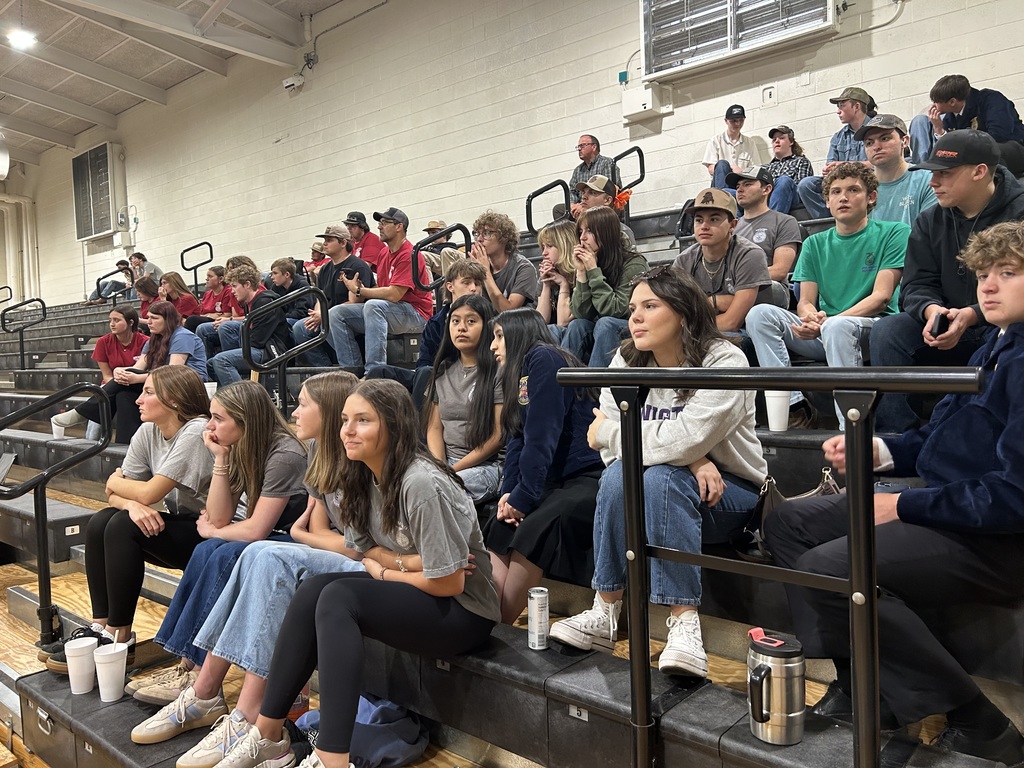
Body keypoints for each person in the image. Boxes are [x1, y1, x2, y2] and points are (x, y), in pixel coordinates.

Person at [764, 220, 1024, 767]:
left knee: (835, 564)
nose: (989, 287)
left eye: (1008, 272)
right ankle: (865, 688)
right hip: (949, 508)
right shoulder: (997, 346)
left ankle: (979, 718)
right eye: (982, 274)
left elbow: (1014, 497)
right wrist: (877, 451)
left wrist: (902, 503)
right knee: (789, 523)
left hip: (996, 537)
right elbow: (942, 438)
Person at [211, 379, 500, 768]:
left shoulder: (421, 482)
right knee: (314, 590)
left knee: (338, 597)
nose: (347, 429)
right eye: (346, 419)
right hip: (424, 589)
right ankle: (267, 736)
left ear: (394, 426)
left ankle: (332, 759)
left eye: (363, 420)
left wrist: (384, 572)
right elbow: (364, 551)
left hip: (464, 612)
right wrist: (405, 562)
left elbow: (449, 581)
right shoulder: (359, 474)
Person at [133, 373, 365, 768]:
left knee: (254, 554)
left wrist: (297, 534)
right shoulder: (317, 454)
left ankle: (238, 712)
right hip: (316, 547)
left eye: (304, 403)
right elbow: (311, 528)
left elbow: (353, 543)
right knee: (228, 551)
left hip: (355, 560)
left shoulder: (312, 455)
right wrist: (221, 459)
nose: (294, 410)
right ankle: (203, 687)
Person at [550, 265, 767, 678]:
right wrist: (690, 458)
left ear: (683, 312)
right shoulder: (627, 358)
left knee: (659, 478)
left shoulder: (724, 359)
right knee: (621, 477)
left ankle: (685, 623)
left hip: (734, 494)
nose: (635, 317)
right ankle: (605, 611)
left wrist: (687, 454)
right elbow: (611, 454)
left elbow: (607, 435)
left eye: (650, 306)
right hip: (666, 485)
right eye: (633, 307)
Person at [130, 381, 308, 741]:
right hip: (269, 536)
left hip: (291, 540)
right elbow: (221, 515)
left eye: (217, 418)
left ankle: (197, 674)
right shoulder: (240, 445)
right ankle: (188, 666)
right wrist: (220, 459)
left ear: (246, 421)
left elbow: (254, 529)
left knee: (220, 549)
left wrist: (213, 532)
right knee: (206, 549)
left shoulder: (285, 452)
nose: (208, 426)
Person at [42, 367, 212, 672]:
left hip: (217, 531)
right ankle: (102, 627)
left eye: (148, 393)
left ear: (175, 401)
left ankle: (120, 637)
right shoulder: (148, 431)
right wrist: (130, 504)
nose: (138, 401)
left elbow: (146, 492)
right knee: (102, 520)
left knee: (121, 525)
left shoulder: (196, 431)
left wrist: (127, 493)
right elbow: (112, 495)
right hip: (185, 522)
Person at [871, 130, 1024, 432]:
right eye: (932, 173)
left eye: (945, 174)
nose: (933, 182)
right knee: (887, 331)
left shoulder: (1020, 212)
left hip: (1008, 326)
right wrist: (932, 311)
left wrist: (973, 314)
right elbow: (916, 285)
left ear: (980, 171)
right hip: (950, 324)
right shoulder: (929, 220)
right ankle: (895, 442)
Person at [745, 163, 909, 428]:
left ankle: (851, 431)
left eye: (853, 189)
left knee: (838, 327)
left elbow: (881, 297)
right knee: (759, 314)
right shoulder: (813, 243)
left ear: (871, 197)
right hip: (825, 330)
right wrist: (810, 318)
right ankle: (794, 405)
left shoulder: (894, 232)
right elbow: (806, 301)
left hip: (872, 329)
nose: (843, 197)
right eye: (835, 192)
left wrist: (826, 323)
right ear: (827, 201)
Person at [483, 309, 604, 623]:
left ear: (519, 332)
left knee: (538, 523)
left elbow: (542, 436)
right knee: (500, 521)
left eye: (498, 336)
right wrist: (509, 493)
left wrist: (524, 498)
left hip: (588, 474)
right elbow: (517, 439)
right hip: (556, 478)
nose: (493, 347)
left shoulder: (544, 358)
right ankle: (486, 619)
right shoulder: (520, 372)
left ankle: (499, 627)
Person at [52, 301, 208, 443]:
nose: (149, 322)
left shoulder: (182, 336)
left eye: (154, 318)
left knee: (129, 381)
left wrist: (136, 378)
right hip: (164, 383)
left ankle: (83, 413)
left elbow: (174, 371)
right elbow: (139, 366)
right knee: (123, 394)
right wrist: (120, 371)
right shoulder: (154, 339)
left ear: (167, 320)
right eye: (148, 318)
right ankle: (126, 444)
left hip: (187, 385)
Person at [330, 207, 433, 375]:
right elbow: (383, 288)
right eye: (379, 223)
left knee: (374, 306)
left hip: (416, 313)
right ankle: (351, 371)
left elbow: (394, 294)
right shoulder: (384, 252)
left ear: (399, 227)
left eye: (384, 223)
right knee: (336, 314)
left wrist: (360, 291)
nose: (379, 227)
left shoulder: (408, 253)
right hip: (392, 310)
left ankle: (374, 371)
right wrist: (360, 289)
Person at [423, 294, 503, 504]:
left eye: (471, 321)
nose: (461, 328)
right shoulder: (442, 369)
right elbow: (434, 428)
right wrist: (439, 466)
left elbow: (498, 436)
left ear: (487, 327)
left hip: (486, 466)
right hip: (445, 463)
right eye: (455, 321)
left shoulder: (498, 371)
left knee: (436, 490)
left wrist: (451, 470)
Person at [674, 189, 770, 332]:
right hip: (704, 329)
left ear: (733, 225)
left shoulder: (749, 255)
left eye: (714, 219)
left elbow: (732, 322)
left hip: (746, 331)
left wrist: (710, 303)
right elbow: (675, 312)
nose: (704, 226)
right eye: (699, 220)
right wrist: (719, 301)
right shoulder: (684, 260)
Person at [566, 206, 649, 365]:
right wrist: (582, 273)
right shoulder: (593, 261)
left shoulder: (634, 263)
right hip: (603, 329)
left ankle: (597, 386)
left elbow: (617, 310)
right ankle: (560, 387)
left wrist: (593, 271)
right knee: (577, 326)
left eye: (589, 231)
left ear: (606, 232)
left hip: (633, 327)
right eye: (580, 232)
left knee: (606, 323)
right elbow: (581, 313)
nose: (582, 238)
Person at [910, 74, 1024, 176]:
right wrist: (939, 129)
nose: (933, 106)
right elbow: (952, 146)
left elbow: (999, 135)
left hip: (1012, 147)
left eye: (936, 102)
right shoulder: (951, 115)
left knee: (987, 152)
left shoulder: (992, 100)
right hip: (980, 150)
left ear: (952, 102)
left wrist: (965, 146)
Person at [293, 226, 374, 367]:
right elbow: (320, 296)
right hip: (328, 315)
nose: (325, 243)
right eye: (324, 240)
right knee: (300, 328)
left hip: (353, 316)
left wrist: (324, 314)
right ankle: (325, 369)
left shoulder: (357, 265)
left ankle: (352, 367)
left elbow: (356, 301)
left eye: (329, 240)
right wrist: (318, 312)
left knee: (333, 317)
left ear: (343, 243)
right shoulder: (325, 269)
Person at [797, 87, 877, 219]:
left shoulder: (877, 129)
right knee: (806, 184)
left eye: (842, 106)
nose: (838, 111)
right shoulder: (838, 137)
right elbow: (830, 164)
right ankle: (831, 221)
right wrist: (829, 169)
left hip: (869, 178)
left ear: (856, 106)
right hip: (840, 179)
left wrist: (844, 165)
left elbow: (878, 164)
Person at [727, 166, 802, 306]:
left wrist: (737, 280)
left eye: (747, 184)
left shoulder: (784, 221)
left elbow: (780, 270)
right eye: (738, 186)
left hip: (768, 289)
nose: (739, 190)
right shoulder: (732, 227)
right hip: (735, 287)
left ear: (766, 190)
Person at [207, 265, 291, 386]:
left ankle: (244, 399)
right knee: (210, 364)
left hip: (271, 351)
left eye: (235, 286)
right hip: (258, 348)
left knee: (222, 360)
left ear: (247, 284)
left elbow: (258, 341)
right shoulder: (248, 304)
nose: (232, 291)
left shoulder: (265, 302)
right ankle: (228, 397)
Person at [854, 114, 937, 226]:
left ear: (905, 141)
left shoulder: (928, 181)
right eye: (869, 143)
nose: (876, 147)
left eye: (885, 138)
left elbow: (931, 234)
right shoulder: (858, 188)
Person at [467, 210, 539, 312]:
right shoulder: (480, 265)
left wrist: (485, 272)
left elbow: (508, 311)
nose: (479, 239)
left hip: (516, 325)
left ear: (504, 238)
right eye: (477, 233)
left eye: (487, 233)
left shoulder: (524, 268)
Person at [704, 104, 765, 189]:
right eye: (733, 121)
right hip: (720, 184)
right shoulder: (716, 140)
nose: (738, 123)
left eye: (741, 120)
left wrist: (742, 172)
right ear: (726, 121)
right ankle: (722, 198)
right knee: (722, 164)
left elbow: (756, 169)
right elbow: (711, 169)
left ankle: (726, 198)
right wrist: (731, 168)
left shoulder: (750, 143)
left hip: (740, 186)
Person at [537, 219, 579, 340]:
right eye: (543, 247)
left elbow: (563, 323)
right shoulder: (549, 275)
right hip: (557, 338)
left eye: (549, 246)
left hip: (578, 336)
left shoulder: (580, 274)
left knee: (553, 330)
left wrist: (564, 285)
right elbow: (540, 321)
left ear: (565, 246)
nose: (544, 253)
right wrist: (546, 285)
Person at [764, 126, 815, 214]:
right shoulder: (766, 167)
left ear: (791, 142)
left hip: (792, 197)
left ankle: (771, 222)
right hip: (767, 198)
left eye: (781, 138)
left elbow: (801, 189)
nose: (777, 141)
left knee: (784, 180)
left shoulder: (801, 161)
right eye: (774, 139)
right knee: (734, 192)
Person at [569, 134, 621, 218]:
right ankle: (577, 230)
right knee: (559, 209)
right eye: (578, 146)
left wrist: (584, 206)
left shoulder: (607, 163)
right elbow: (572, 191)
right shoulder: (577, 170)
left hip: (601, 203)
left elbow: (609, 190)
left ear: (594, 147)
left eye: (582, 145)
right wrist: (573, 205)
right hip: (583, 204)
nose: (579, 149)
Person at [268, 257, 315, 327]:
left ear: (287, 274)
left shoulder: (302, 285)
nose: (272, 277)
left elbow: (302, 312)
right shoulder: (276, 287)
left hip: (302, 320)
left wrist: (280, 317)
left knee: (281, 324)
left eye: (275, 273)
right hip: (286, 318)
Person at [186, 267, 235, 333]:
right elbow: (202, 314)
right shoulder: (207, 294)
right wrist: (211, 315)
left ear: (221, 279)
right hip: (209, 320)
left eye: (210, 276)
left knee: (192, 320)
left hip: (220, 321)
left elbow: (227, 314)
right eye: (207, 276)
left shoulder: (228, 291)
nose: (206, 279)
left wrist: (210, 315)